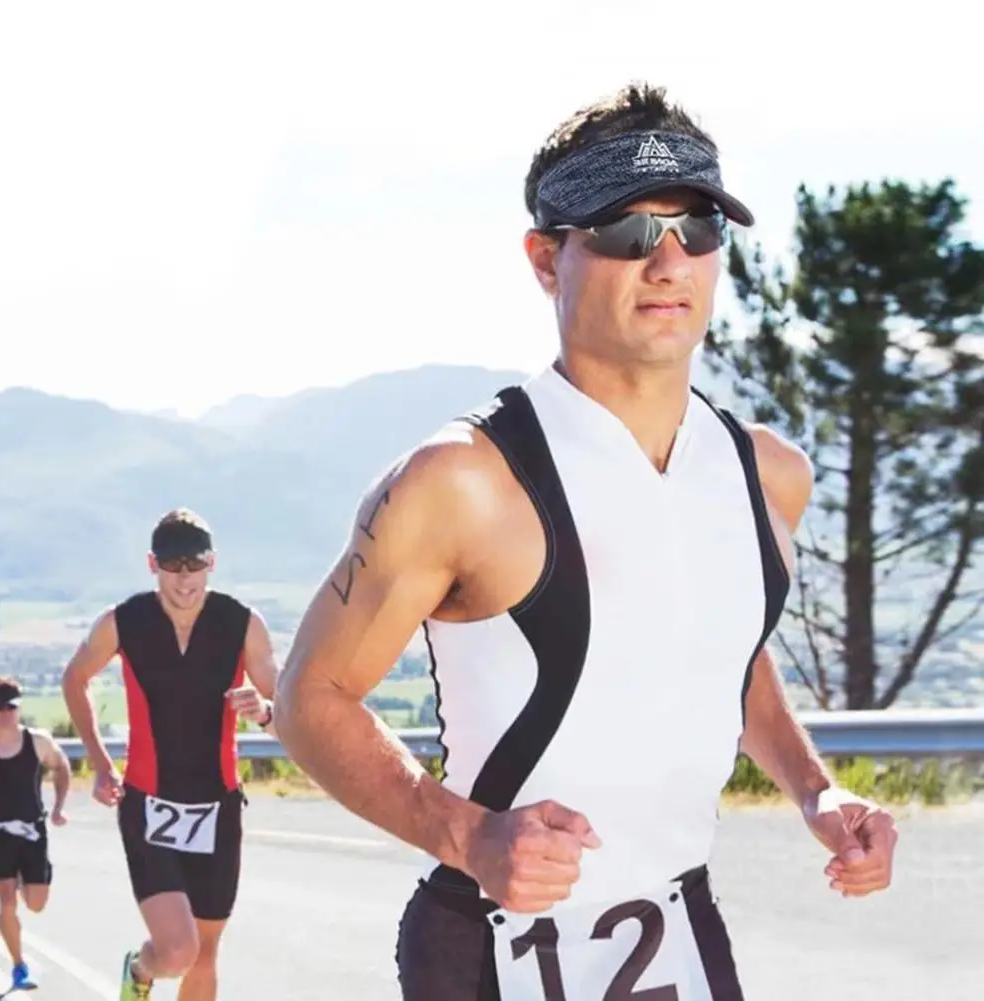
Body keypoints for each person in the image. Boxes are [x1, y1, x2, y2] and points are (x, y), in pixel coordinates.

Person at [272, 82, 900, 1001]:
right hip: (492, 948)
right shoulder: (460, 479)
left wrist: (816, 790)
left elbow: (722, 649)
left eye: (696, 228)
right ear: (545, 258)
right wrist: (468, 835)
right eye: (626, 231)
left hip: (677, 929)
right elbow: (308, 697)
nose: (668, 261)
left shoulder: (767, 475)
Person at [61, 508, 279, 1001]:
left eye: (194, 565)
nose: (184, 578)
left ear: (212, 563)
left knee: (205, 952)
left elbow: (284, 701)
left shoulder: (242, 623)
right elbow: (75, 678)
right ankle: (139, 971)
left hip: (218, 808)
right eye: (171, 566)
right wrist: (100, 763)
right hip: (148, 805)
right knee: (178, 951)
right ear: (152, 565)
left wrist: (265, 711)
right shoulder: (123, 622)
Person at [0, 676, 71, 990]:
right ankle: (19, 966)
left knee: (35, 903)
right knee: (7, 901)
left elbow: (61, 766)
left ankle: (28, 879)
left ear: (19, 708)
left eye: (11, 707)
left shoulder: (37, 741)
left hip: (34, 831)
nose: (6, 713)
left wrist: (58, 807)